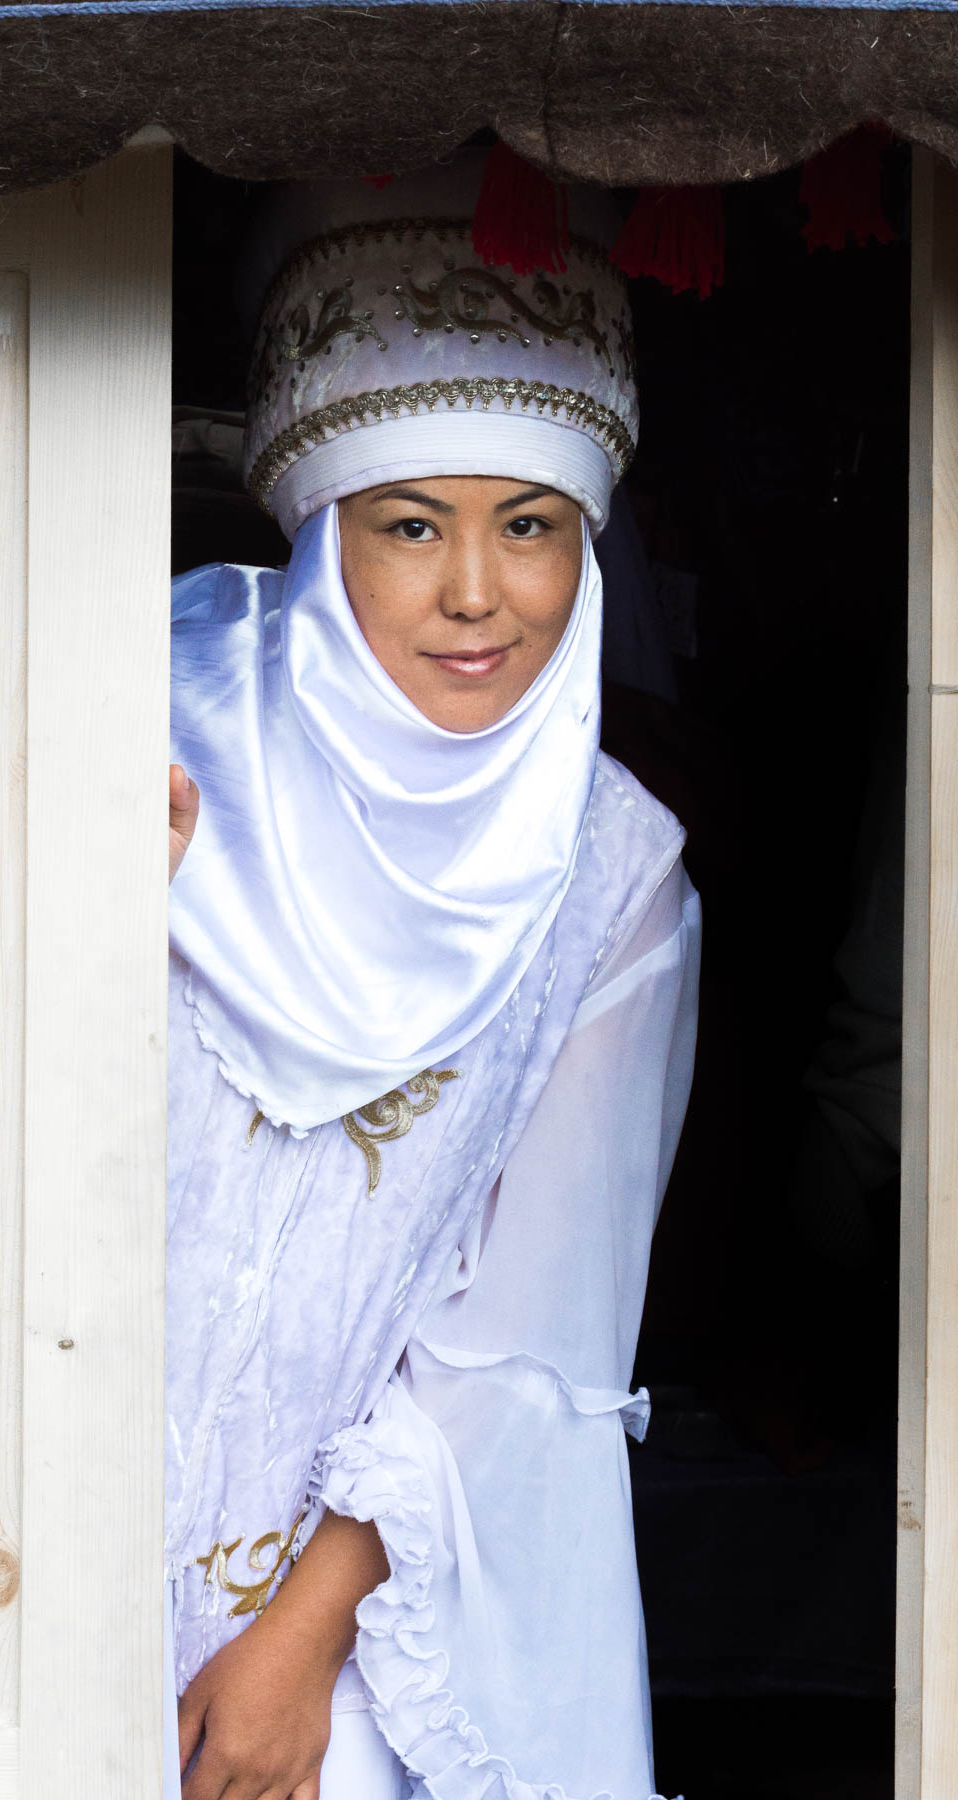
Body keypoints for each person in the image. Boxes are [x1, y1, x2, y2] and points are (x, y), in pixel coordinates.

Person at [165, 149, 700, 1800]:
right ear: (320, 533)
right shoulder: (140, 727)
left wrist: (297, 1642)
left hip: (344, 1632)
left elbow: (527, 1339)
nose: (480, 595)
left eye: (531, 525)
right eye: (412, 525)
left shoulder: (614, 880)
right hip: (26, 1532)